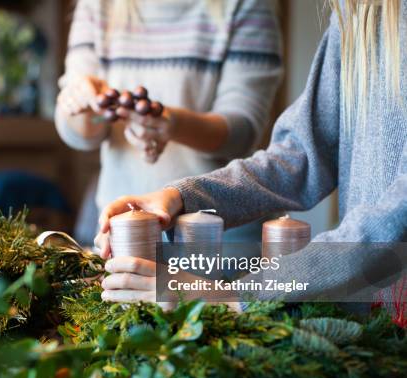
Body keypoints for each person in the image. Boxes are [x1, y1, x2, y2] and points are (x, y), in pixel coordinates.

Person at [94, 0, 406, 311]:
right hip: (373, 322)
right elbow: (298, 158)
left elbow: (394, 219)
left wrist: (236, 295)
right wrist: (182, 196)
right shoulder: (357, 16)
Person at [55, 0, 283, 243]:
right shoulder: (98, 6)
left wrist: (172, 124)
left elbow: (243, 132)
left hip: (221, 231)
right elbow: (80, 134)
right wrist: (86, 105)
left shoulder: (246, 5)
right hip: (124, 228)